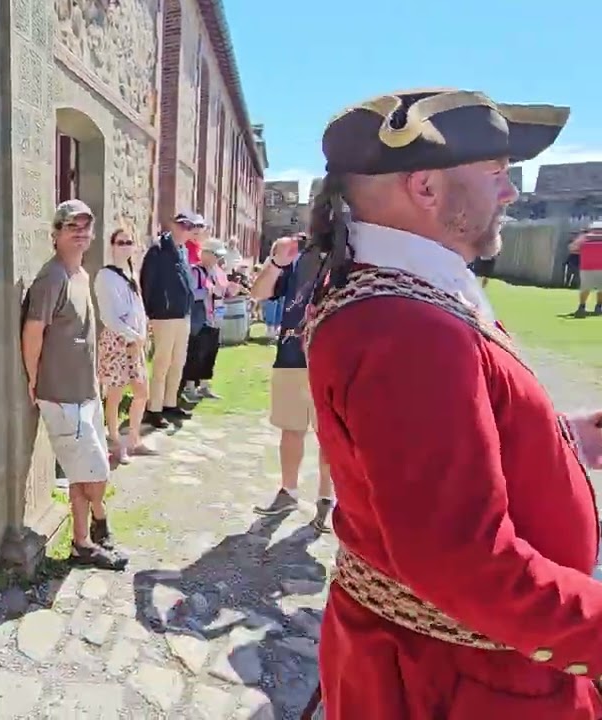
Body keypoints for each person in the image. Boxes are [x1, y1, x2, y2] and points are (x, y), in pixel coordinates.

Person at [299, 89, 602, 719]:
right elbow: (467, 563)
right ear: (426, 189)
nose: (511, 194)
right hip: (460, 684)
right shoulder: (408, 329)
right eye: (497, 175)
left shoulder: (400, 296)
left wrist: (564, 437)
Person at [21, 199, 126, 570]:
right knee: (95, 471)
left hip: (86, 393)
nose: (80, 233)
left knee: (85, 471)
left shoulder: (81, 276)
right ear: (55, 235)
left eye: (85, 226)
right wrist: (33, 377)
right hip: (62, 395)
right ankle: (99, 523)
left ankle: (82, 544)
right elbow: (33, 331)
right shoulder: (52, 278)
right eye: (71, 227)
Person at [249, 235, 333, 531]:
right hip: (292, 354)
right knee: (291, 430)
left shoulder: (355, 251)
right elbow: (258, 294)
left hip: (333, 360)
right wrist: (276, 263)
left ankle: (327, 500)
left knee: (331, 437)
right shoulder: (300, 253)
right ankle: (289, 492)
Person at [93, 226, 155, 465]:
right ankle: (115, 441)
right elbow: (108, 316)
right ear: (112, 245)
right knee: (115, 394)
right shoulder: (105, 276)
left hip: (135, 342)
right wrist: (131, 335)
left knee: (141, 391)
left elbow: (137, 308)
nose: (125, 246)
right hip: (117, 341)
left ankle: (133, 438)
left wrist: (142, 333)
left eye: (129, 242)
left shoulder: (131, 274)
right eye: (121, 242)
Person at [138, 212, 201, 428]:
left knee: (178, 362)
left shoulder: (183, 250)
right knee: (162, 362)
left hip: (182, 314)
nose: (186, 230)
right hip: (163, 316)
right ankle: (154, 408)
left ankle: (170, 403)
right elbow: (147, 282)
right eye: (183, 225)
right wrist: (152, 311)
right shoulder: (158, 249)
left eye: (189, 226)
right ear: (173, 225)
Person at [180, 241, 237, 402]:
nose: (218, 259)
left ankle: (204, 386)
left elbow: (222, 292)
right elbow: (190, 294)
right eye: (216, 255)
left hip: (215, 318)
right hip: (200, 320)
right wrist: (207, 291)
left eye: (219, 256)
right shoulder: (195, 271)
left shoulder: (218, 272)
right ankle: (189, 387)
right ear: (206, 254)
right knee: (195, 353)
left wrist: (229, 291)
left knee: (210, 353)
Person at [567, 221, 602, 316]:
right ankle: (599, 307)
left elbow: (572, 248)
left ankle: (582, 306)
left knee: (585, 288)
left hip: (587, 267)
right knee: (601, 289)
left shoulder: (585, 237)